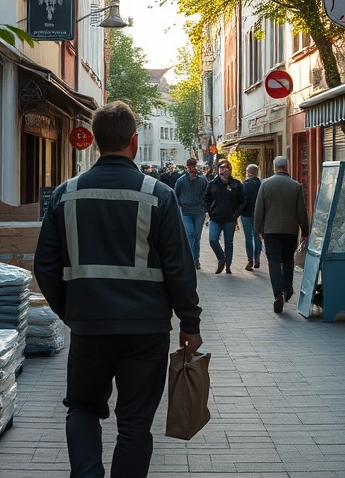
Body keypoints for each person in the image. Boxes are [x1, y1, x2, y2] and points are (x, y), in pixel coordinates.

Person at [34, 101, 202, 478]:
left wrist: (72, 309)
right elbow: (179, 268)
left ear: (95, 141)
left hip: (90, 326)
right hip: (146, 330)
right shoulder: (158, 194)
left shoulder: (66, 194)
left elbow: (44, 266)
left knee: (81, 407)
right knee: (134, 424)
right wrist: (189, 323)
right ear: (134, 141)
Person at [254, 155, 309, 313]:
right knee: (288, 260)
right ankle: (288, 288)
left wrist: (258, 230)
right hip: (290, 231)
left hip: (270, 231)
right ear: (287, 167)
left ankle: (277, 294)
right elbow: (302, 211)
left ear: (274, 167)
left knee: (274, 262)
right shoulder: (295, 186)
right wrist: (304, 231)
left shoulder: (265, 184)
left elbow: (259, 210)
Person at [203, 159, 244, 273]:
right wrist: (208, 210)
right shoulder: (212, 184)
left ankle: (228, 266)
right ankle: (222, 258)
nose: (223, 170)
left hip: (230, 219)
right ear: (218, 170)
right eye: (221, 168)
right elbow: (206, 198)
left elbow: (242, 201)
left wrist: (236, 213)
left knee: (228, 242)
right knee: (213, 240)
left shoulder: (236, 184)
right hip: (215, 218)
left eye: (225, 167)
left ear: (230, 170)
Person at [174, 157, 207, 269]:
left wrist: (204, 205)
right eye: (191, 166)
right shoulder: (181, 180)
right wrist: (182, 204)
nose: (193, 168)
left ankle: (195, 260)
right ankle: (191, 260)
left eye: (194, 166)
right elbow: (175, 194)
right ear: (187, 167)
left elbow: (207, 194)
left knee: (197, 237)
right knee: (190, 235)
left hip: (199, 212)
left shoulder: (202, 180)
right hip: (186, 212)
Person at [239, 164, 262, 271]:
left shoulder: (244, 185)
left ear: (248, 172)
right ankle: (257, 257)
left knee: (248, 238)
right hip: (258, 215)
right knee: (257, 237)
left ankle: (250, 261)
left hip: (246, 214)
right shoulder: (261, 185)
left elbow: (241, 200)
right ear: (257, 173)